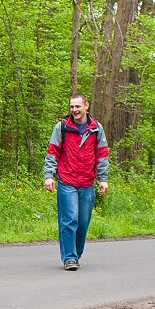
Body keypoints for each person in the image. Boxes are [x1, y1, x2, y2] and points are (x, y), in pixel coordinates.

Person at [43, 93, 109, 270]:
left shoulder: (96, 128)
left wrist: (103, 179)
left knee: (82, 222)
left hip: (87, 183)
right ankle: (69, 258)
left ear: (86, 106)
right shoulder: (62, 127)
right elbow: (52, 152)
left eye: (78, 106)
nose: (74, 110)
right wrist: (49, 175)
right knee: (69, 219)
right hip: (67, 181)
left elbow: (102, 155)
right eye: (72, 107)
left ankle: (76, 254)